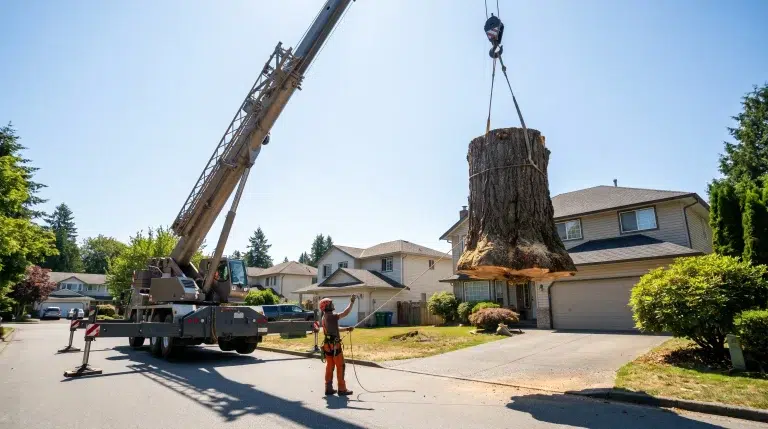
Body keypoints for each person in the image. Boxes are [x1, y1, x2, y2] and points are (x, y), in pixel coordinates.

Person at [318, 295, 356, 396]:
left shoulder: (325, 316)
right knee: (340, 366)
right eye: (331, 303)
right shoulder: (331, 316)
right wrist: (351, 302)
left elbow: (336, 328)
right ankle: (342, 389)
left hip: (327, 345)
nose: (333, 304)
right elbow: (345, 313)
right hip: (334, 346)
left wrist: (347, 328)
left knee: (330, 367)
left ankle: (328, 388)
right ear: (326, 306)